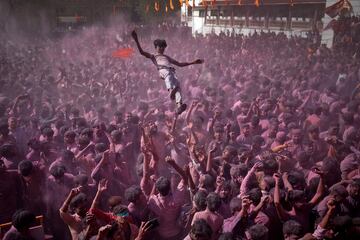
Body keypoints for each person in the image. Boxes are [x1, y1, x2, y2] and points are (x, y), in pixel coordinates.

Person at [131, 30, 204, 115]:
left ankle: (179, 106)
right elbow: (142, 52)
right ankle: (171, 92)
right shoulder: (153, 56)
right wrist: (136, 39)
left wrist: (193, 62)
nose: (162, 48)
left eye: (163, 47)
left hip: (171, 71)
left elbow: (179, 64)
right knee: (169, 78)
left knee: (178, 86)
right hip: (163, 70)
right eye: (160, 46)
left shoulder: (167, 57)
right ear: (156, 47)